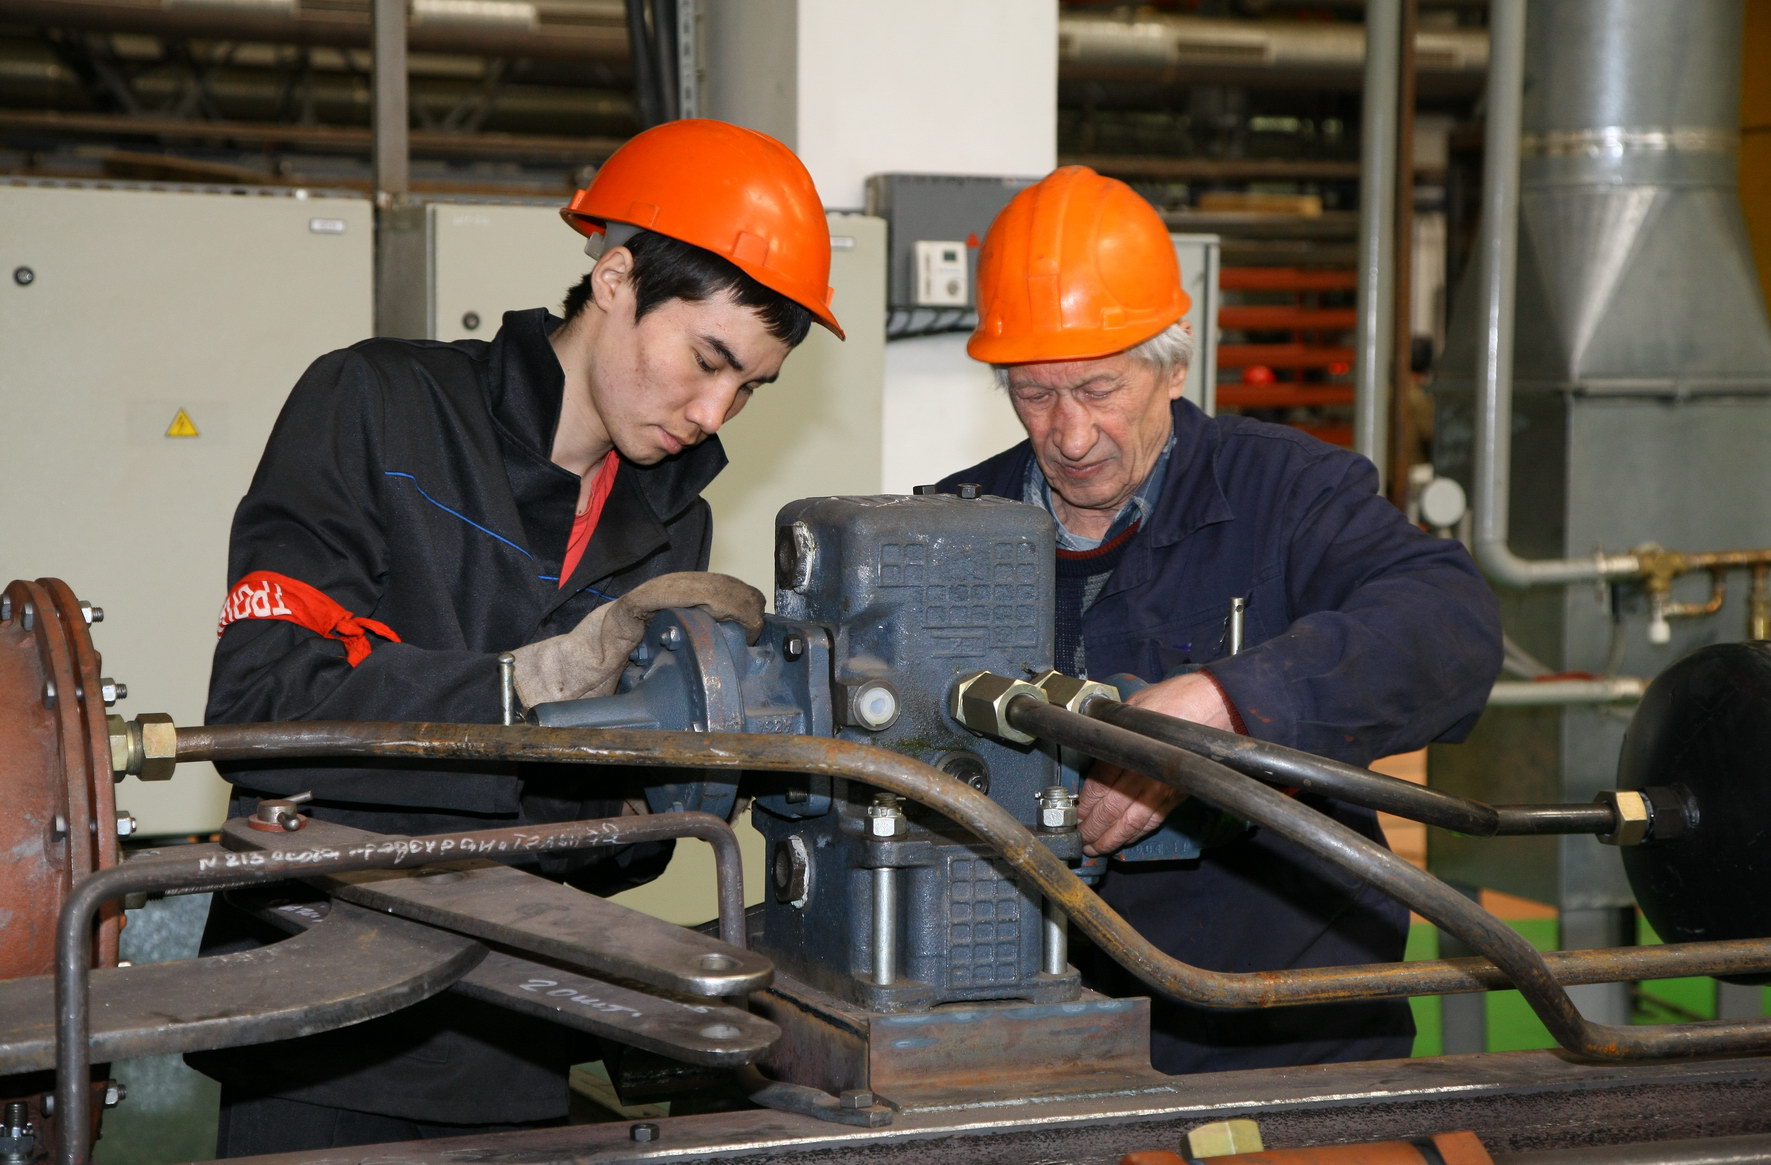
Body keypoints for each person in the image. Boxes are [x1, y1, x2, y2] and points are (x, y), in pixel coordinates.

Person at [191, 118, 842, 1154]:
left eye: (749, 386)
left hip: (522, 1040)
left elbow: (596, 842)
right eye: (707, 358)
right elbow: (261, 710)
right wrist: (534, 682)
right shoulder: (375, 404)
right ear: (618, 279)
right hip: (319, 1029)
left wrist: (688, 770)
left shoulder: (674, 520)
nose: (714, 410)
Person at [937, 165, 1501, 1075]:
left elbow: (1452, 623)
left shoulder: (1289, 492)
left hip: (1293, 1037)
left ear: (1175, 362)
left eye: (1098, 388)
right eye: (1035, 394)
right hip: (1041, 1045)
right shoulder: (949, 528)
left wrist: (1228, 706)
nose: (1070, 434)